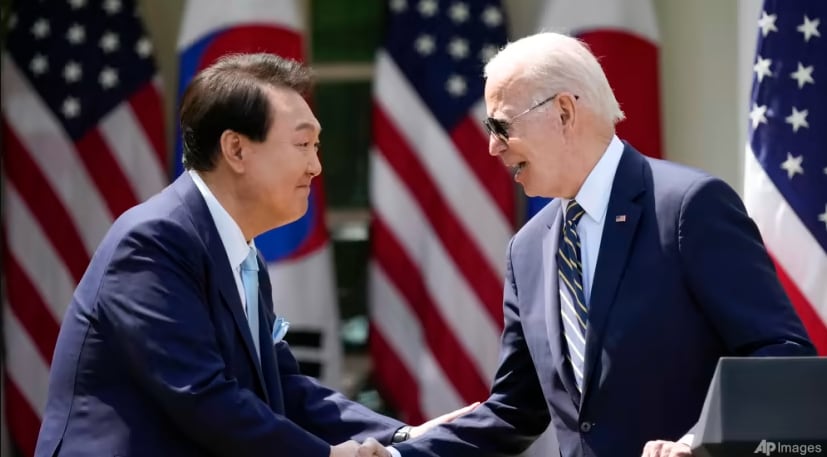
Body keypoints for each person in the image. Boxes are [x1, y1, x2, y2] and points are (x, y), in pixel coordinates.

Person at [368, 32, 816, 457]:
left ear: (564, 112)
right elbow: (513, 410)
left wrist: (697, 443)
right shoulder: (527, 250)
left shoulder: (687, 208)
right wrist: (398, 453)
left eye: (500, 126)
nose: (491, 147)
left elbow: (780, 355)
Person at [34, 53, 468, 457]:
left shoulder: (243, 256)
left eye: (316, 147)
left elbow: (283, 387)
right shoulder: (154, 240)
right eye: (303, 145)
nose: (316, 166)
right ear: (236, 149)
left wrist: (401, 436)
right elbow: (201, 395)